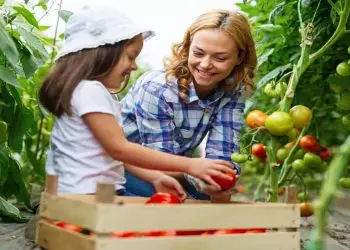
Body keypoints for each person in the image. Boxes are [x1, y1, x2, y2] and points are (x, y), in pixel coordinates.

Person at [39, 5, 235, 198]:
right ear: (104, 53)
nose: (134, 66)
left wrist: (155, 177)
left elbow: (115, 154)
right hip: (81, 194)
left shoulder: (98, 93)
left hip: (101, 192)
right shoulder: (89, 91)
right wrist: (190, 165)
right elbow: (120, 149)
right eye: (131, 57)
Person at [121, 9, 257, 201]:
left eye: (220, 58)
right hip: (125, 168)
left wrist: (219, 178)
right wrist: (198, 173)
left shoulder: (232, 91)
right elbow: (158, 161)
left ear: (239, 57)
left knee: (205, 204)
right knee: (178, 205)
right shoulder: (157, 89)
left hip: (177, 169)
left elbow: (223, 153)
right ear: (187, 48)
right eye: (198, 53)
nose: (205, 64)